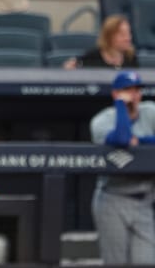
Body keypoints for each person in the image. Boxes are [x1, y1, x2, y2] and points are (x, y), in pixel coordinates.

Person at [90, 70, 155, 265]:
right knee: (116, 263)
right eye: (127, 90)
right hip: (112, 197)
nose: (133, 95)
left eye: (136, 90)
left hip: (144, 199)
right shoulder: (102, 120)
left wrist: (141, 141)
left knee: (147, 262)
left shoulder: (150, 111)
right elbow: (121, 139)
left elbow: (134, 141)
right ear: (115, 93)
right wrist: (121, 105)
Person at [64, 14, 139, 69]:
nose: (128, 38)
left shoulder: (131, 57)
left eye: (129, 33)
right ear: (109, 36)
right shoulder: (92, 57)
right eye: (122, 34)